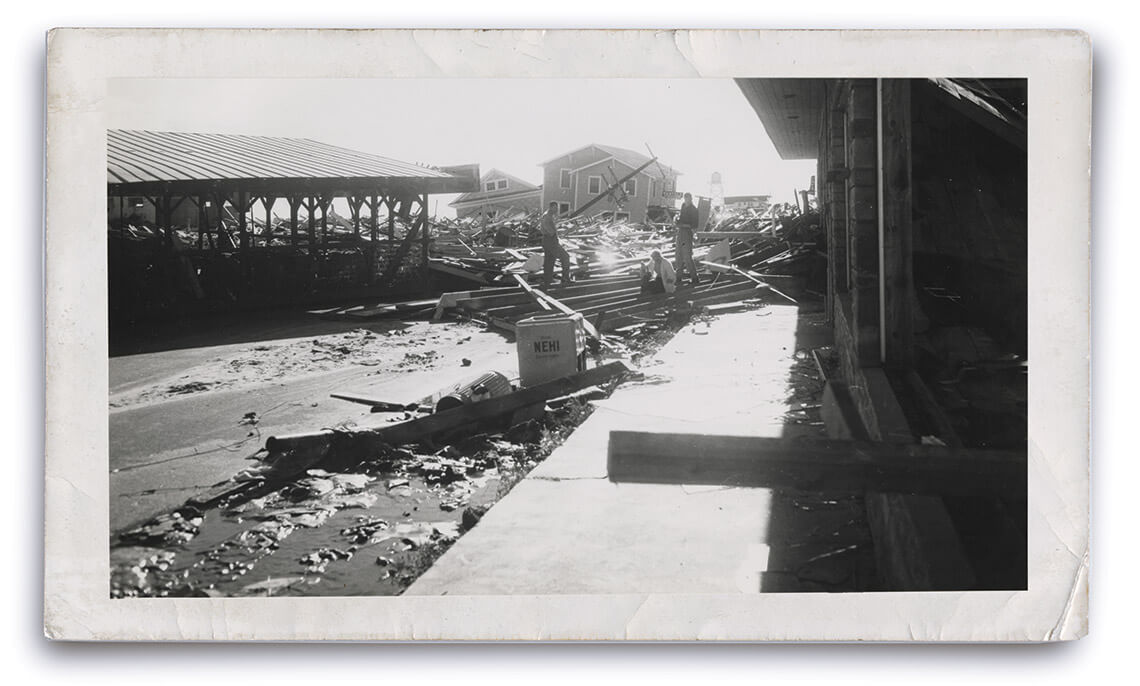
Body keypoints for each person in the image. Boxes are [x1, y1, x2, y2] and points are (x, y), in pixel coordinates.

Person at [539, 201, 573, 289]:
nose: (557, 210)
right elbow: (551, 232)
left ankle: (547, 282)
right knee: (565, 257)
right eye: (555, 208)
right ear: (551, 207)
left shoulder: (548, 216)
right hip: (550, 241)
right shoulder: (547, 217)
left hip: (548, 241)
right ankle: (565, 278)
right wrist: (565, 231)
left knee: (549, 262)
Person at [674, 192, 701, 286]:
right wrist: (677, 220)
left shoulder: (694, 210)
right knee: (678, 255)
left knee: (687, 256)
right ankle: (678, 277)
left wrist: (683, 225)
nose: (686, 201)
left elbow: (694, 225)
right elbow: (681, 218)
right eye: (685, 199)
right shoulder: (683, 206)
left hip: (687, 233)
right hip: (680, 232)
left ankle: (694, 278)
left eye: (688, 199)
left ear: (691, 199)